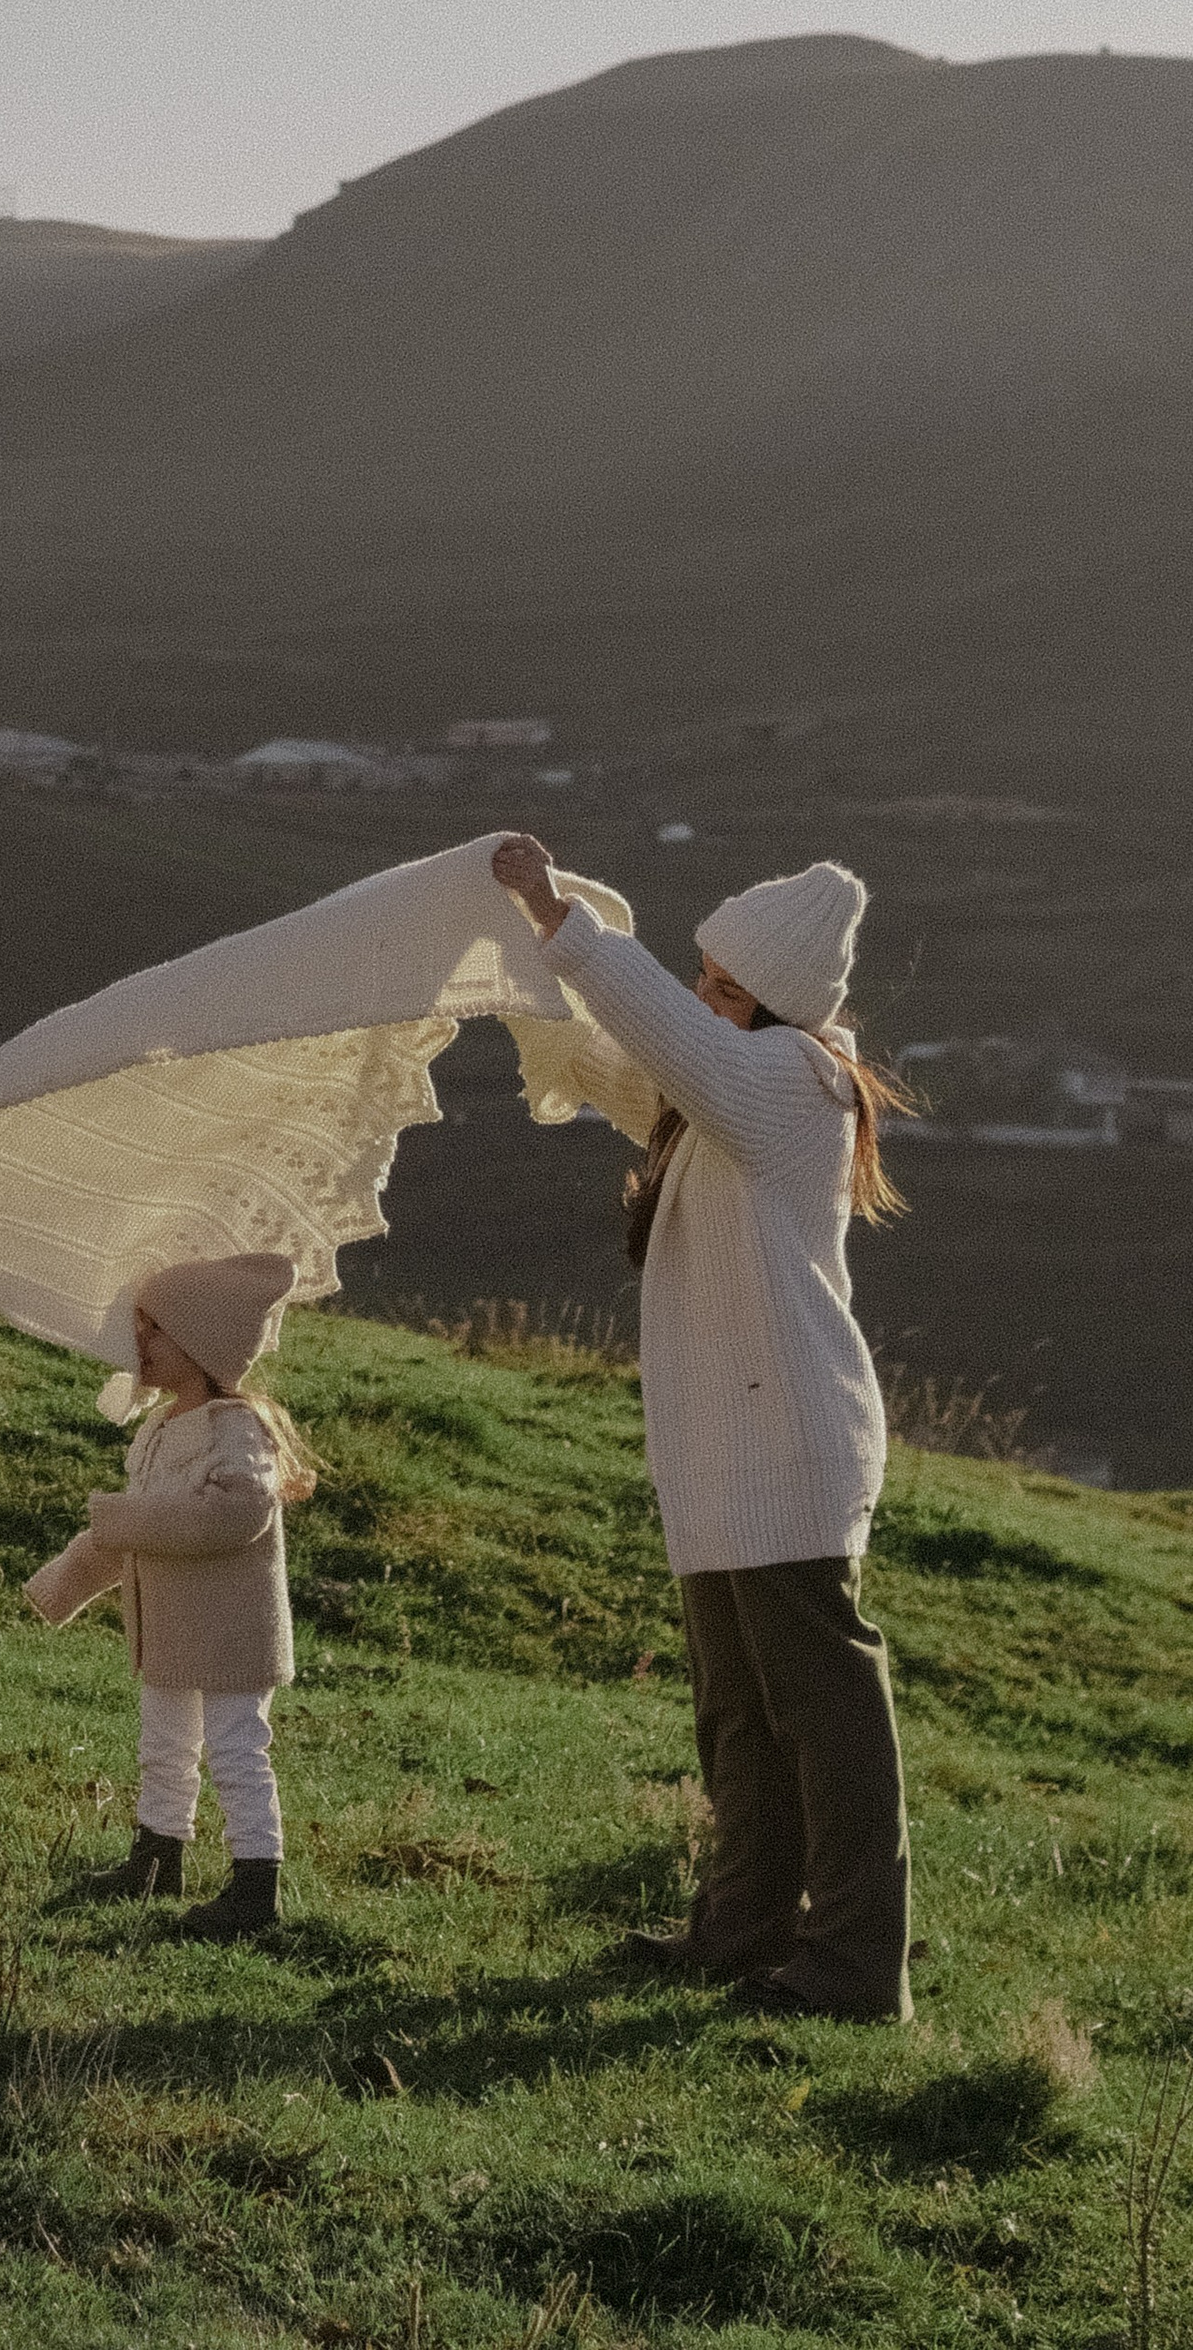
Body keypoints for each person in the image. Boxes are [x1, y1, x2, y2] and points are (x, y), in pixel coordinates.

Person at [491, 832, 914, 2022]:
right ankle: (742, 1929)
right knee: (738, 1707)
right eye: (702, 975)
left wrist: (557, 918)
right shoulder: (726, 1093)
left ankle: (853, 1966)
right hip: (732, 1447)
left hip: (785, 1441)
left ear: (775, 1008)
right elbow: (623, 1064)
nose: (700, 997)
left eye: (723, 986)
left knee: (821, 1711)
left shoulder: (789, 1081)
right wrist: (513, 971)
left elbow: (670, 1041)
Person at [25, 1253, 315, 1941]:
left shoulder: (234, 1427)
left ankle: (255, 1887)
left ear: (203, 1342)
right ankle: (157, 1859)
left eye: (156, 1328)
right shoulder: (157, 1428)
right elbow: (137, 1532)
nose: (140, 1340)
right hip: (170, 1628)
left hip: (232, 1630)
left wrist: (123, 1521)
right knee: (164, 1744)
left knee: (237, 1749)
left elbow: (237, 1514)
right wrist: (65, 1581)